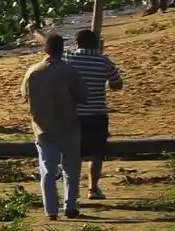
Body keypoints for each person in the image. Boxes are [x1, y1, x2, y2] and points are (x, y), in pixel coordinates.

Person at [21, 34, 89, 220]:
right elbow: (83, 96)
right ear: (62, 48)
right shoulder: (69, 71)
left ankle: (51, 210)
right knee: (71, 169)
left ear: (46, 49)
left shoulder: (33, 71)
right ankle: (70, 206)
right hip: (68, 125)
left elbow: (24, 95)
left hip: (42, 127)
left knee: (48, 170)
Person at [65, 23, 122, 200]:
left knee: (72, 152)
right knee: (96, 153)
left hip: (73, 113)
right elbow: (117, 85)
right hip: (97, 112)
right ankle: (93, 188)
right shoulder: (104, 61)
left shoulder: (69, 58)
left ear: (77, 43)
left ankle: (71, 191)